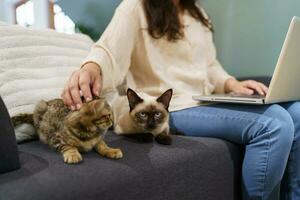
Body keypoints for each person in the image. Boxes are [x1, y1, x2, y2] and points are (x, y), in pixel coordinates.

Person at [61, 0, 300, 199]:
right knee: (274, 124)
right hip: (171, 107)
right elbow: (108, 49)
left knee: (297, 112)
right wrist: (92, 67)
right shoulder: (135, 6)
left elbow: (209, 65)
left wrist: (231, 83)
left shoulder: (196, 13)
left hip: (205, 99)